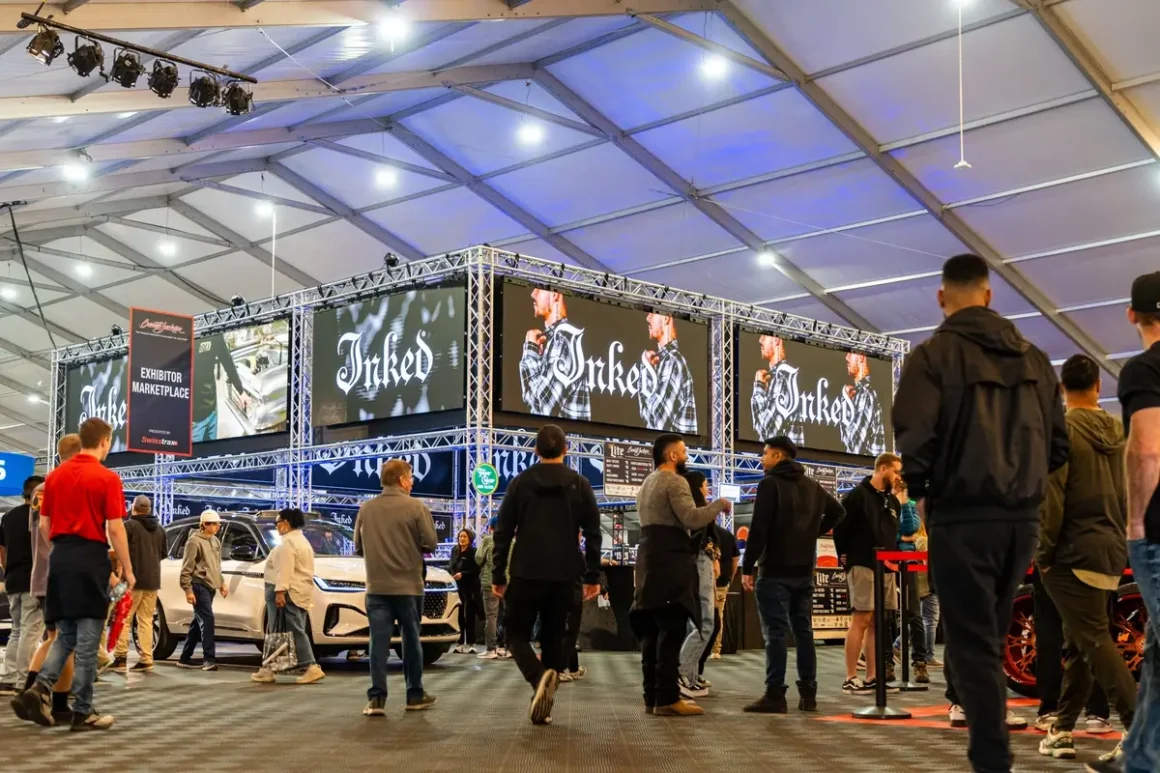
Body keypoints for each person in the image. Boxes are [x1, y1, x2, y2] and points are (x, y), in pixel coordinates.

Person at [893, 254, 1068, 773]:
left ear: (941, 297)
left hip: (961, 515)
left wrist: (924, 492)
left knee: (971, 643)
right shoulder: (1036, 360)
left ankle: (992, 760)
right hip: (1022, 521)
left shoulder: (932, 356)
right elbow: (1059, 446)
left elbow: (915, 436)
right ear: (989, 295)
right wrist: (1025, 482)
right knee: (988, 635)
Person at [1035, 354, 1135, 761]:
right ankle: (1062, 729)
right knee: (1081, 639)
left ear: (1062, 389)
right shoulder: (1119, 430)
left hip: (1071, 553)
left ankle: (1140, 730)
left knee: (1093, 639)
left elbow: (1052, 499)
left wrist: (1043, 554)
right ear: (1098, 386)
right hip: (1110, 549)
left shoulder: (1059, 431)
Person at [14, 418, 134, 732]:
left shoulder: (53, 479)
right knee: (88, 639)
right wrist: (128, 569)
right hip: (90, 558)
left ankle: (39, 688)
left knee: (64, 635)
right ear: (104, 441)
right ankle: (83, 710)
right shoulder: (107, 477)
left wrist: (62, 549)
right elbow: (116, 528)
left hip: (59, 560)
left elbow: (44, 525)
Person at [492, 424, 602, 726]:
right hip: (565, 573)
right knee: (556, 638)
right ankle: (545, 695)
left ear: (536, 450)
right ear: (566, 449)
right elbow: (593, 533)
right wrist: (593, 576)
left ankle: (537, 677)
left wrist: (498, 574)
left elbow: (503, 532)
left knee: (514, 634)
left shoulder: (520, 484)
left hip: (526, 571)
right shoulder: (580, 484)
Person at [740, 436, 845, 713]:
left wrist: (747, 567)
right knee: (804, 631)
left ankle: (775, 694)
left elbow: (759, 528)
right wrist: (811, 532)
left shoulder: (769, 484)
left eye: (765, 454)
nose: (761, 459)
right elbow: (838, 512)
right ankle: (808, 694)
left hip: (774, 570)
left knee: (775, 633)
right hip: (804, 571)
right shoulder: (812, 486)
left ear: (778, 456)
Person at [631, 433, 731, 717]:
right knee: (672, 628)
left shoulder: (647, 483)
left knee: (651, 632)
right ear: (672, 455)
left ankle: (652, 697)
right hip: (670, 560)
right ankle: (668, 699)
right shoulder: (675, 481)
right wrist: (719, 505)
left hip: (648, 559)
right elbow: (691, 518)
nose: (687, 456)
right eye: (684, 451)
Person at [1113, 271, 1160, 773]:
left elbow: (1147, 449)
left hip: (1158, 529)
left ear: (1132, 314)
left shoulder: (1145, 369)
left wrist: (1135, 521)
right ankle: (1141, 756)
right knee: (1156, 648)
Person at [354, 459, 438, 715]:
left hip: (377, 587)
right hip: (409, 587)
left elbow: (358, 547)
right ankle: (414, 695)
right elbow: (431, 543)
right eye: (410, 478)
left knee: (377, 644)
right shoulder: (416, 507)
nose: (412, 483)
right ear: (402, 480)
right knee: (411, 641)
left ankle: (376, 699)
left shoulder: (366, 509)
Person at [15, 434, 80, 725]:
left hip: (41, 574)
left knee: (55, 638)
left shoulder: (41, 490)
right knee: (66, 640)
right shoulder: (64, 486)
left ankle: (30, 694)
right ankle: (53, 701)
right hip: (62, 574)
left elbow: (39, 531)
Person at [832, 452, 902, 694]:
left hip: (887, 566)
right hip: (862, 563)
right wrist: (845, 557)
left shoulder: (893, 502)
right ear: (882, 469)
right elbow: (840, 529)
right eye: (895, 471)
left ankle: (872, 677)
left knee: (877, 623)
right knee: (861, 619)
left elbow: (893, 534)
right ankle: (851, 677)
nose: (898, 476)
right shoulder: (856, 496)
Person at [252, 508, 325, 685]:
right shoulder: (302, 541)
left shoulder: (289, 543)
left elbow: (285, 569)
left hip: (288, 592)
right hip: (297, 591)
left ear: (286, 523)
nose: (276, 526)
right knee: (279, 631)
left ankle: (311, 666)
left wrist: (280, 591)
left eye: (277, 522)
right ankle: (270, 668)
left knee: (293, 630)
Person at [0, 474, 45, 696]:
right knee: (30, 632)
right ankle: (23, 680)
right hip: (33, 581)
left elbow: (2, 551)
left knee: (17, 630)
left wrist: (8, 571)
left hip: (13, 580)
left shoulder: (8, 517)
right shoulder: (40, 517)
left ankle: (8, 677)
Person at [111, 495, 167, 673]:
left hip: (131, 580)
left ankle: (121, 657)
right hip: (152, 581)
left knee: (124, 618)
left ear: (133, 508)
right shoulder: (160, 529)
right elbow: (163, 554)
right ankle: (146, 659)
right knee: (146, 620)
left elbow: (119, 551)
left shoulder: (129, 526)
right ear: (149, 509)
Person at [677, 471, 720, 699]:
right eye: (704, 485)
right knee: (705, 622)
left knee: (695, 622)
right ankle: (682, 673)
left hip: (694, 564)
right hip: (699, 563)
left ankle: (690, 677)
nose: (707, 489)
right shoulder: (697, 512)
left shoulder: (686, 510)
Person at [518, 288, 591, 421]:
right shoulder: (554, 340)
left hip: (564, 435)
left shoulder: (563, 340)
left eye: (538, 289)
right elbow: (535, 402)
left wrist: (530, 352)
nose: (533, 294)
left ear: (554, 294)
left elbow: (543, 410)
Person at [177, 510, 228, 671]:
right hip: (198, 585)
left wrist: (221, 583)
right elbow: (186, 569)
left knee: (198, 621)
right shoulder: (194, 542)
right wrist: (188, 590)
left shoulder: (215, 541)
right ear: (205, 524)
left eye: (218, 524)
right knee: (207, 620)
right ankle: (209, 659)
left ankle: (185, 657)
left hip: (210, 586)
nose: (218, 526)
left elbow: (216, 565)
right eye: (215, 524)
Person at [894, 480, 931, 684]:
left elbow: (911, 528)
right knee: (886, 614)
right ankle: (887, 662)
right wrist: (901, 537)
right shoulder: (884, 503)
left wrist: (903, 503)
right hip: (886, 561)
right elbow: (885, 532)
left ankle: (919, 662)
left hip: (908, 563)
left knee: (914, 613)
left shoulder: (910, 505)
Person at [638, 313, 698, 434]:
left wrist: (646, 368)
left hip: (674, 446)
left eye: (652, 313)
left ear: (666, 318)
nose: (647, 318)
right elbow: (646, 415)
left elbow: (657, 424)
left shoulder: (673, 361)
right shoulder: (664, 360)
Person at [752, 334, 805, 444]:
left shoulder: (783, 376)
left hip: (782, 454)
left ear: (776, 340)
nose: (760, 340)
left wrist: (759, 387)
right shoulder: (779, 376)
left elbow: (766, 431)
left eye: (764, 336)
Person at [841, 352, 886, 457]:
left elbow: (853, 448)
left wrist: (846, 399)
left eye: (851, 353)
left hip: (866, 466)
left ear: (861, 357)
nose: (846, 357)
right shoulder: (860, 392)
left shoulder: (865, 394)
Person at [476, 517, 507, 660]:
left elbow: (478, 558)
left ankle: (491, 648)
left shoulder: (488, 540)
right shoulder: (511, 541)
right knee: (507, 616)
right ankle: (507, 648)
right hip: (508, 583)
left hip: (490, 582)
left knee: (491, 617)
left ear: (490, 528)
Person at [709, 519, 738, 661]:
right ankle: (716, 650)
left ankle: (698, 648)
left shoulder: (699, 534)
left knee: (699, 616)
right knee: (718, 615)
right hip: (722, 582)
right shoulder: (727, 535)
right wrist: (730, 579)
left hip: (702, 581)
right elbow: (735, 559)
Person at [449, 528, 482, 655]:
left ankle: (472, 643)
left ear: (469, 539)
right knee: (459, 615)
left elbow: (476, 570)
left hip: (470, 588)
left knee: (469, 615)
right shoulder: (454, 550)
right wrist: (454, 574)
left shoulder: (473, 552)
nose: (462, 539)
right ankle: (460, 642)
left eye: (464, 537)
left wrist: (463, 574)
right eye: (460, 537)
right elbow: (451, 565)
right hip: (457, 587)